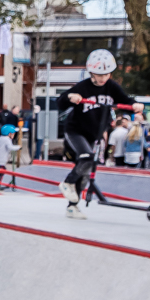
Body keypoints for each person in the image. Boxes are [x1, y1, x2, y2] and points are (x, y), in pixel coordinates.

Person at [55, 49, 137, 219]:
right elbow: (61, 101)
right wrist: (71, 96)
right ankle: (68, 182)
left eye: (106, 74)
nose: (102, 78)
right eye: (99, 75)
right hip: (75, 131)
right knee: (86, 156)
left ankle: (73, 207)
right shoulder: (83, 87)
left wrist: (135, 104)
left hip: (94, 135)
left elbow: (125, 99)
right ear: (91, 72)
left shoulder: (111, 87)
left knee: (87, 169)